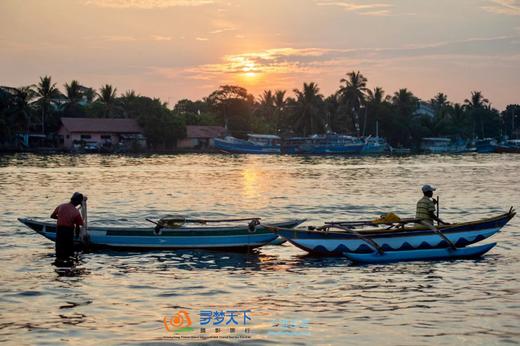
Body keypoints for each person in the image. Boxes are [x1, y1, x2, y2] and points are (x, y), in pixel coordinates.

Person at [50, 192, 85, 262]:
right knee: (68, 250)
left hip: (59, 230)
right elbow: (79, 225)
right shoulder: (76, 212)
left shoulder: (61, 206)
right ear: (77, 202)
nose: (78, 204)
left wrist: (61, 218)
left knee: (59, 249)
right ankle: (68, 263)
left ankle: (59, 262)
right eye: (79, 203)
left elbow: (52, 216)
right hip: (68, 231)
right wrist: (77, 236)